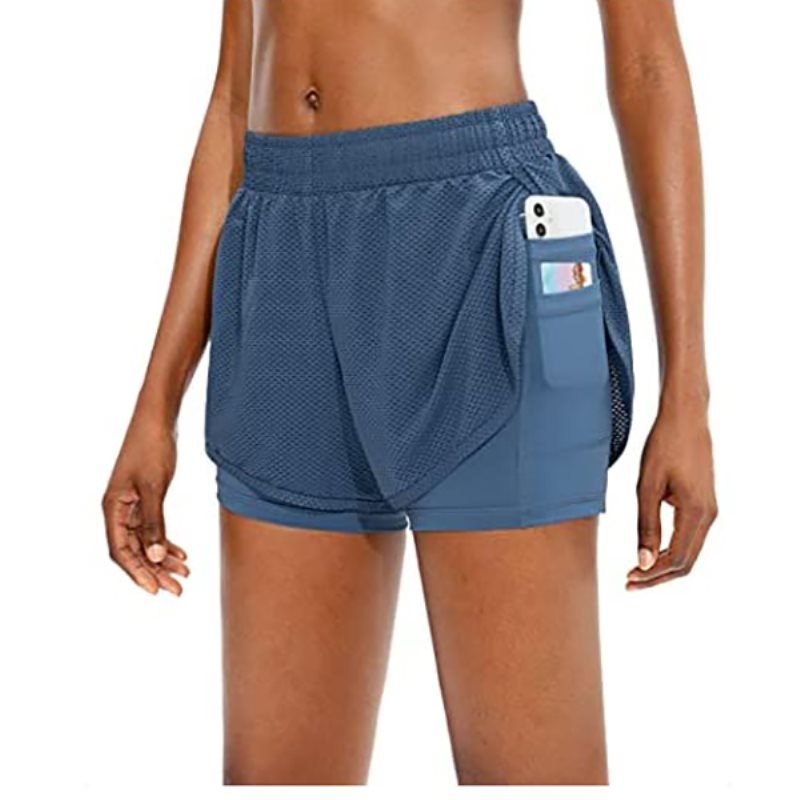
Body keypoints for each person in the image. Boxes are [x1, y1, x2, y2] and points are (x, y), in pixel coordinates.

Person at [102, 0, 718, 786]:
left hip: (475, 241)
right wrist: (155, 405)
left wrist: (687, 394)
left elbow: (648, 64)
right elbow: (232, 102)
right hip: (280, 262)